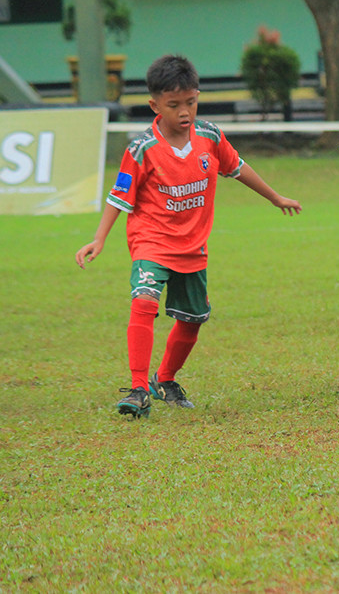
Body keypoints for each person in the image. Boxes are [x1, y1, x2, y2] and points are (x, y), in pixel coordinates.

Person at [75, 54, 301, 418]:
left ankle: (165, 379)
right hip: (151, 240)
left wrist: (275, 197)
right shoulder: (141, 149)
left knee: (193, 319)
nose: (185, 112)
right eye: (174, 105)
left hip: (192, 245)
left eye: (191, 102)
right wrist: (99, 239)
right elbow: (119, 196)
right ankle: (137, 388)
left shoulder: (209, 137)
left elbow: (238, 168)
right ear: (155, 105)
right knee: (144, 301)